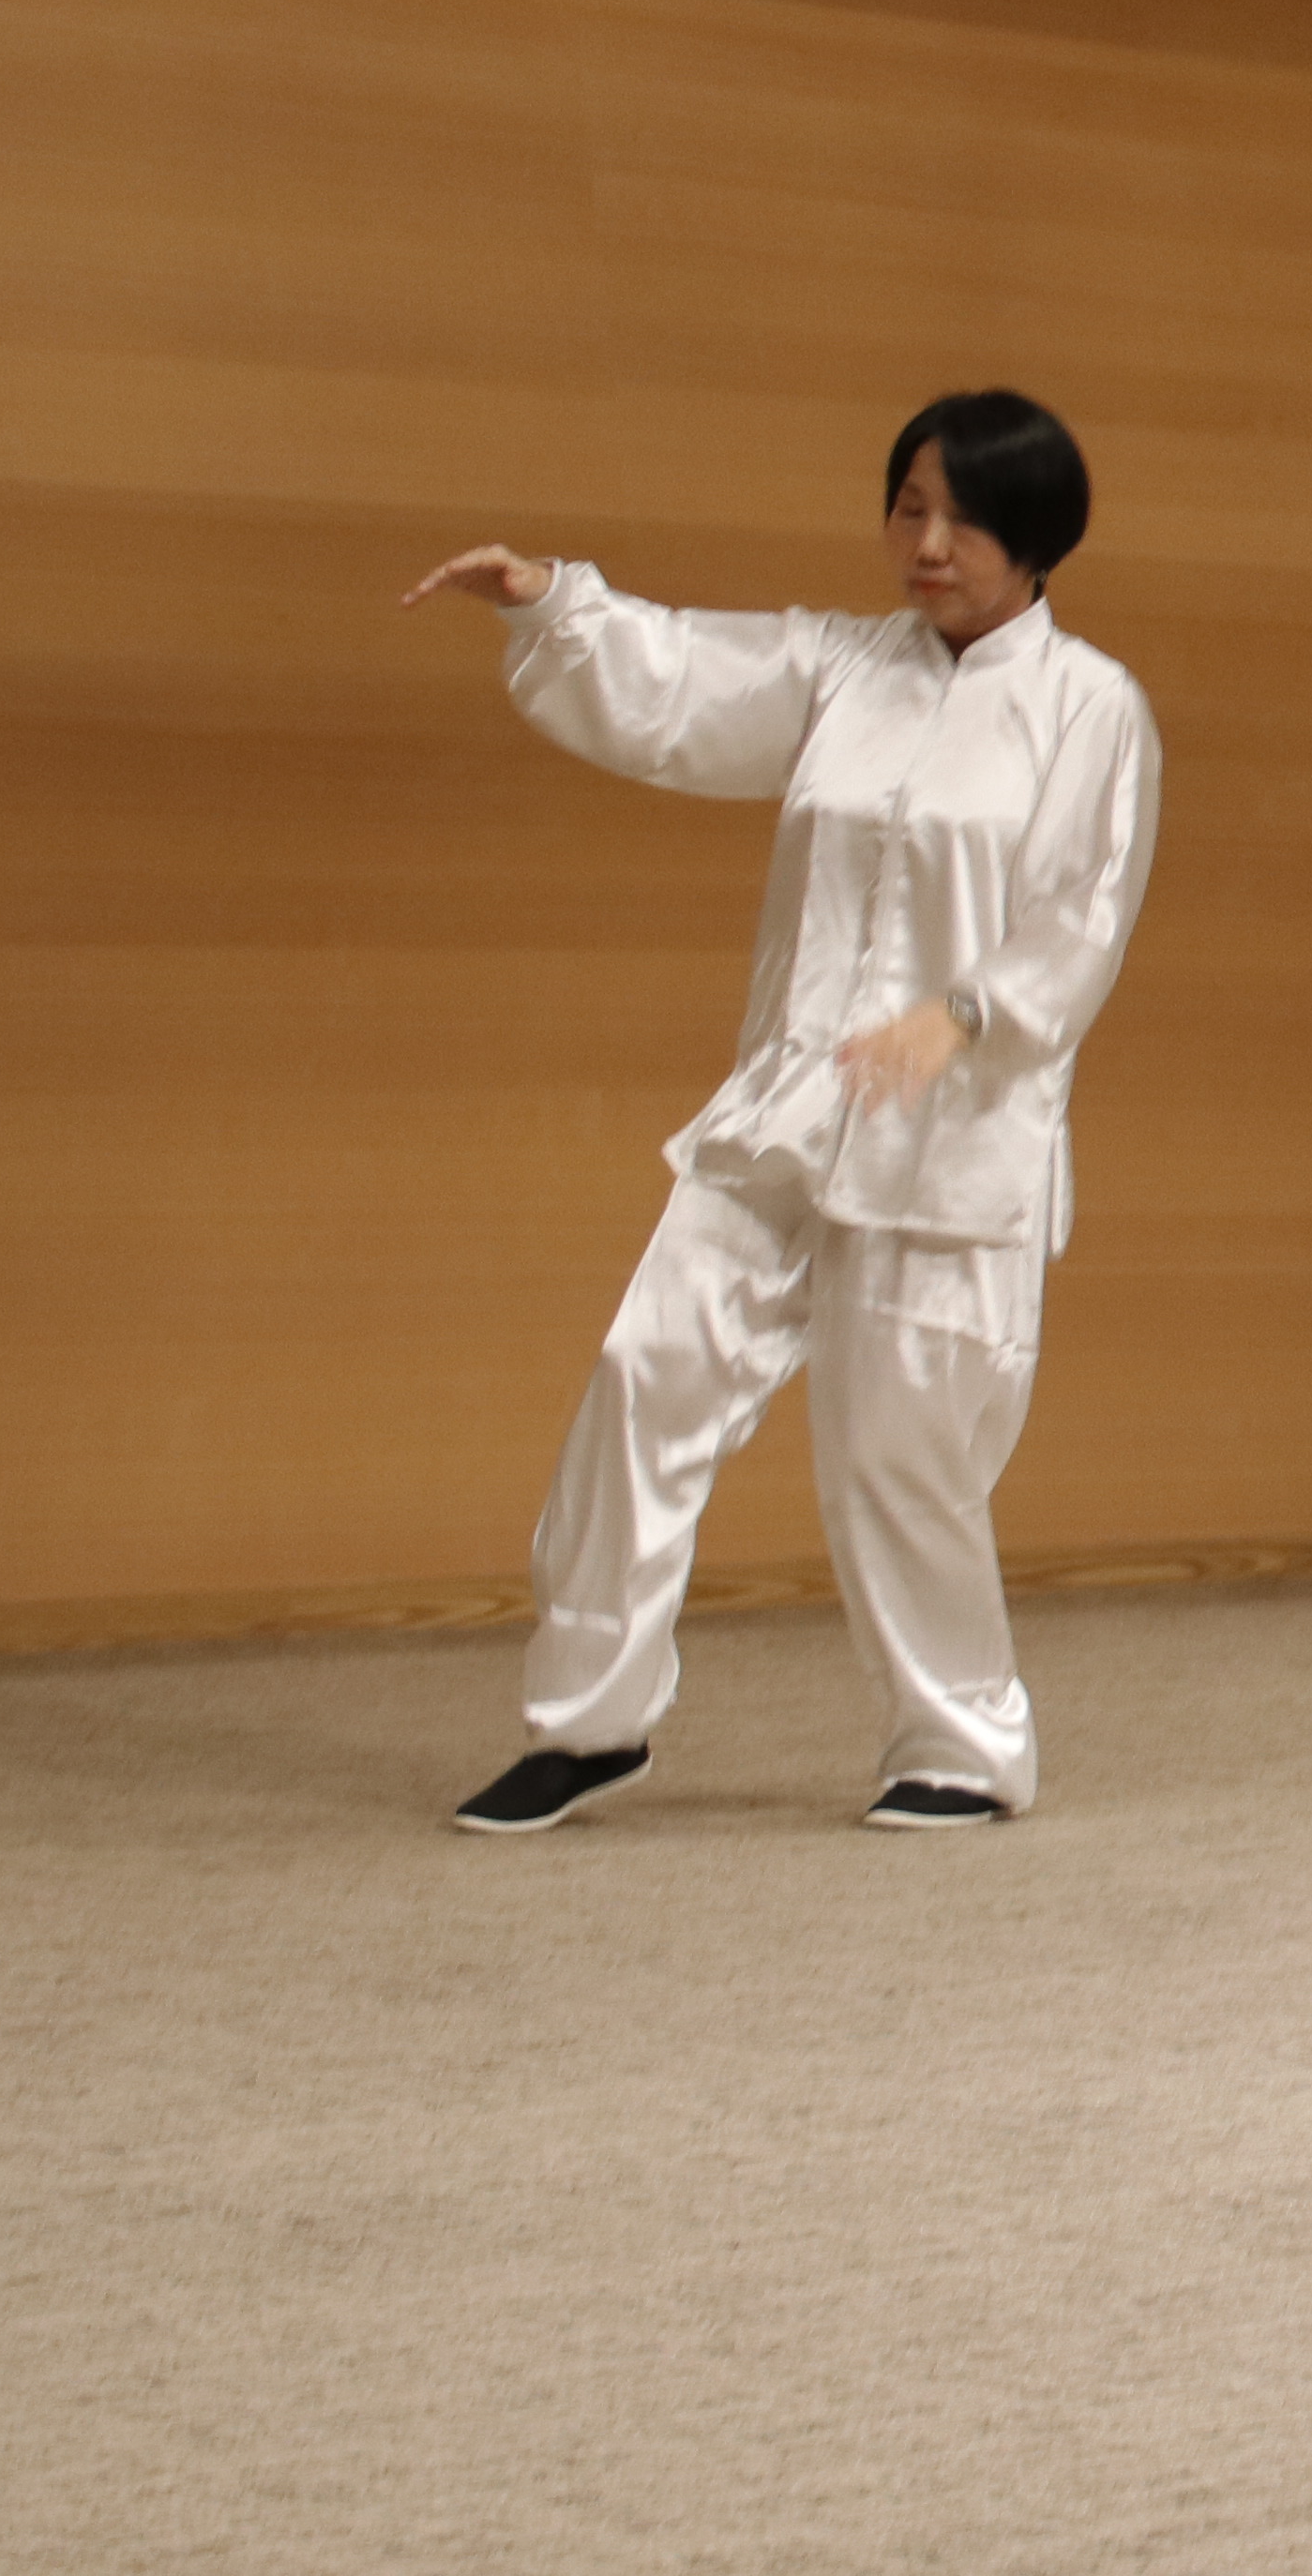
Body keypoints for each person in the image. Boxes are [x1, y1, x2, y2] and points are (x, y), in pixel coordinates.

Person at [404, 391, 1162, 1833]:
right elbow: (685, 678)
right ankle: (589, 1723)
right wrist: (553, 601)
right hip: (788, 1109)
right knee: (644, 1376)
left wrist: (965, 1013)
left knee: (899, 1452)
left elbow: (1084, 909)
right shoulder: (841, 668)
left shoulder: (1090, 706)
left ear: (1035, 536)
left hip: (953, 1132)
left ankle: (959, 1748)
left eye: (962, 520)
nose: (926, 543)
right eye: (908, 509)